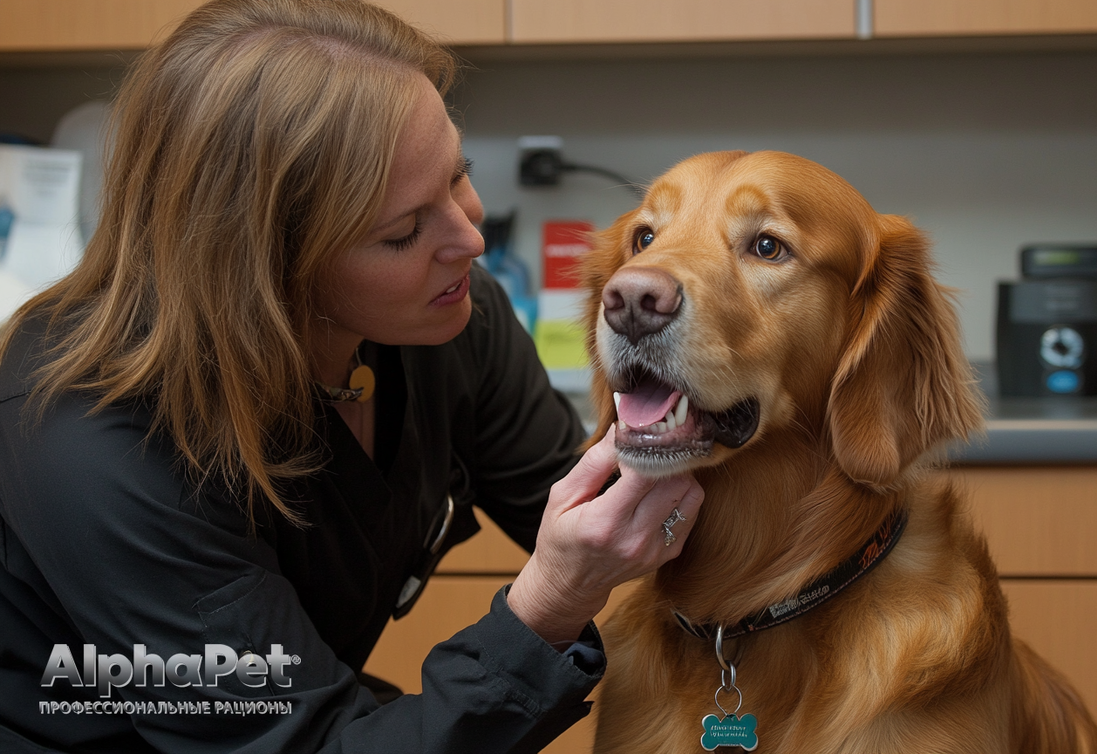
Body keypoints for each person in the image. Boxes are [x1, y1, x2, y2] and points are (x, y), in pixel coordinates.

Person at [0, 1, 704, 752]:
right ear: (265, 271)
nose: (469, 237)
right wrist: (548, 605)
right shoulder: (93, 439)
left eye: (458, 175)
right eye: (402, 232)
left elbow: (614, 518)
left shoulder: (450, 322)